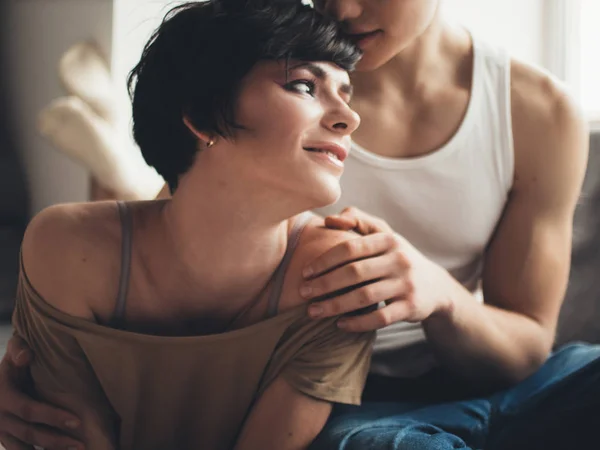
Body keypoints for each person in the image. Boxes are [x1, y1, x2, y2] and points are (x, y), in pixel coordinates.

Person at [1, 0, 599, 448]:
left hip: (486, 378)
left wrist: (437, 293)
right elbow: (188, 226)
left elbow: (527, 347)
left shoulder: (538, 111)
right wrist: (46, 355)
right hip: (346, 400)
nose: (342, 9)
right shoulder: (277, 58)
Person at [0, 1, 376, 449]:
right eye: (303, 86)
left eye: (346, 93)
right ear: (200, 115)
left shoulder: (341, 275)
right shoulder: (68, 248)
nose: (348, 118)